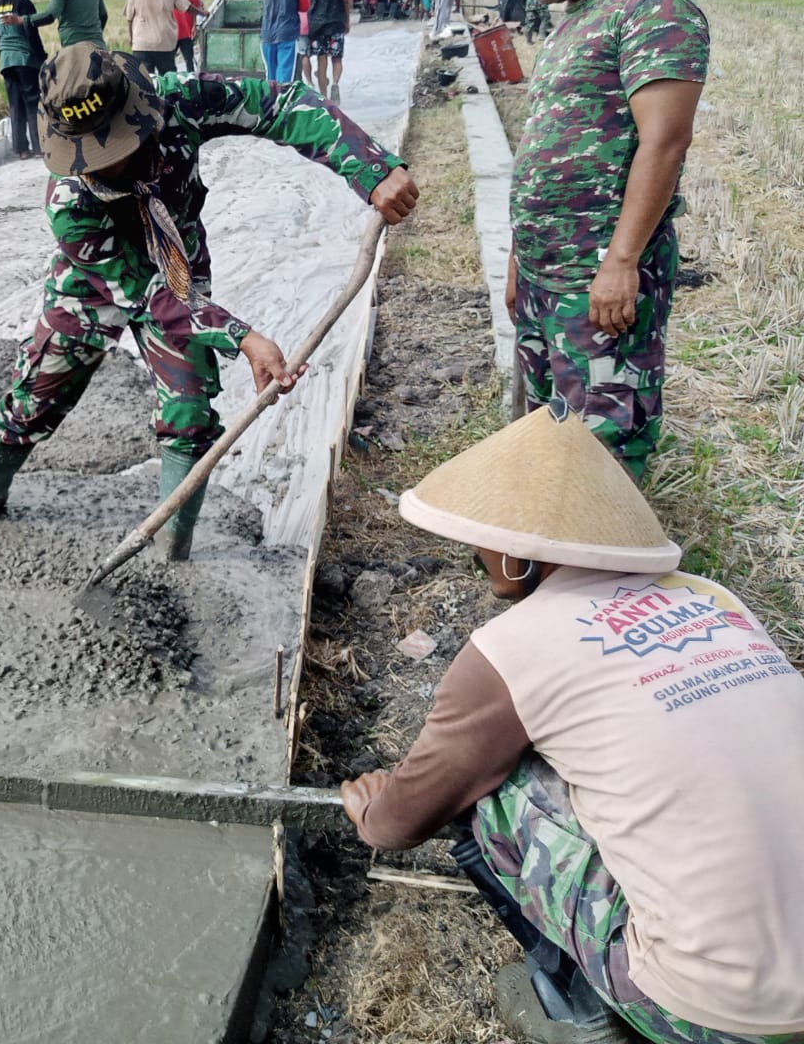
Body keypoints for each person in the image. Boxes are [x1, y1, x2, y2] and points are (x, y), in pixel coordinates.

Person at [341, 399, 804, 1044]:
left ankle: (575, 1004)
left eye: (483, 536)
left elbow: (400, 824)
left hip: (723, 1011)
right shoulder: (710, 597)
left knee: (491, 786)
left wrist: (374, 809)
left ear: (519, 554)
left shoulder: (512, 648)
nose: (475, 550)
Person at [0, 43, 418, 557]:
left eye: (120, 144)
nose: (113, 164)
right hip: (95, 283)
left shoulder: (183, 102)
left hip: (178, 268)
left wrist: (369, 167)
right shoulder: (70, 205)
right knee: (33, 400)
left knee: (190, 414)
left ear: (141, 109)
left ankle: (171, 556)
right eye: (96, 155)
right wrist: (241, 336)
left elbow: (282, 105)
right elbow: (147, 298)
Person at [471, 0, 708, 483]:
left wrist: (622, 262)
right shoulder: (574, 16)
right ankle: (558, 557)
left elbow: (664, 141)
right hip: (548, 274)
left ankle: (606, 569)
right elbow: (544, 144)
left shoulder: (650, 4)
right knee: (551, 435)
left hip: (598, 278)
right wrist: (520, 260)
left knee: (603, 445)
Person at [0, 0, 48, 158]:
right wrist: (41, 58)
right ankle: (40, 147)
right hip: (25, 59)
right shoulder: (24, 4)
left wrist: (5, 53)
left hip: (6, 61)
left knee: (15, 104)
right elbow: (31, 33)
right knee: (33, 102)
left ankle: (21, 150)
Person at [124, 0, 204, 77]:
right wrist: (202, 12)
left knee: (144, 83)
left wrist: (131, 38)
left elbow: (129, 18)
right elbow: (188, 7)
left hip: (141, 45)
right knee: (168, 82)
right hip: (164, 45)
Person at [303, 0, 353, 102]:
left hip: (316, 25)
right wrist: (347, 20)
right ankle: (336, 85)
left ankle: (323, 97)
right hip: (336, 22)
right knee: (337, 58)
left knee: (321, 59)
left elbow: (305, 2)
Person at [259, 0, 301, 83]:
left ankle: (271, 99)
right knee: (284, 70)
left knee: (270, 72)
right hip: (287, 32)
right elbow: (305, 6)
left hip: (266, 33)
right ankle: (281, 99)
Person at [167, 0, 202, 73]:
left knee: (189, 59)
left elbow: (195, 7)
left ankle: (191, 83)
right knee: (169, 60)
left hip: (186, 31)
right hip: (171, 31)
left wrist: (194, 26)